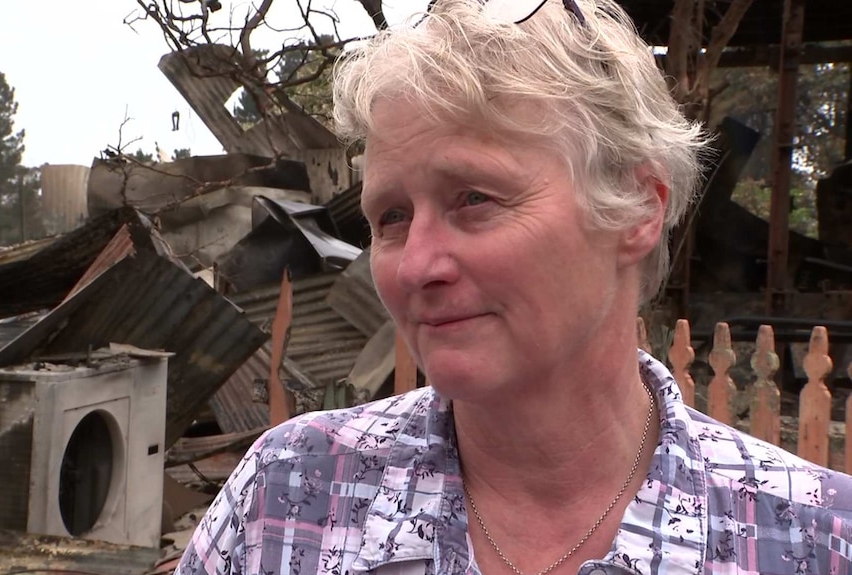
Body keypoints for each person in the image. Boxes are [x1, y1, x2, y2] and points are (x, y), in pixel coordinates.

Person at [175, 1, 852, 574]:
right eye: (391, 217)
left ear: (638, 207)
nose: (415, 266)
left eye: (474, 197)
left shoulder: (810, 538)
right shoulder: (289, 497)